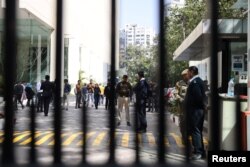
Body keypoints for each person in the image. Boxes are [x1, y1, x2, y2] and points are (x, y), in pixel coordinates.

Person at [184, 66, 207, 160]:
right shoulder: (198, 81)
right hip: (197, 110)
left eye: (188, 72)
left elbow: (198, 97)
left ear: (191, 72)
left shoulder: (195, 82)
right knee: (197, 131)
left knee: (196, 130)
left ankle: (198, 152)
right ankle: (201, 151)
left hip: (195, 110)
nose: (187, 74)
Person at [174, 69, 189, 145]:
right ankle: (184, 137)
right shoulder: (179, 83)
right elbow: (175, 93)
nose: (186, 76)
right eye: (185, 75)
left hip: (191, 106)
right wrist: (180, 99)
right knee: (183, 123)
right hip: (182, 106)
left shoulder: (192, 82)